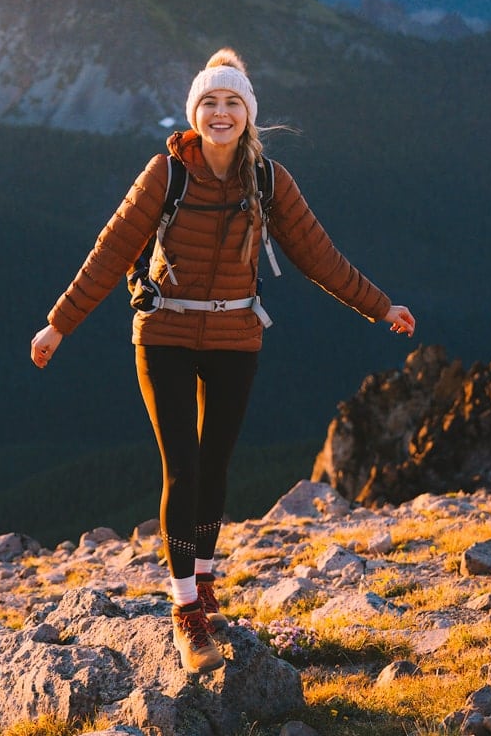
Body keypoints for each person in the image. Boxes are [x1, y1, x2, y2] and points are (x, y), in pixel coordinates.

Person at [31, 48, 415, 674]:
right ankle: (186, 612)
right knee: (183, 466)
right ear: (194, 113)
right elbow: (112, 249)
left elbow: (320, 256)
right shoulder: (166, 174)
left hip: (237, 335)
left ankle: (203, 579)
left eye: (233, 102)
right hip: (164, 334)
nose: (220, 112)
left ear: (248, 116)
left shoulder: (269, 181)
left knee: (215, 466)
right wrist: (58, 324)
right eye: (209, 102)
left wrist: (380, 307)